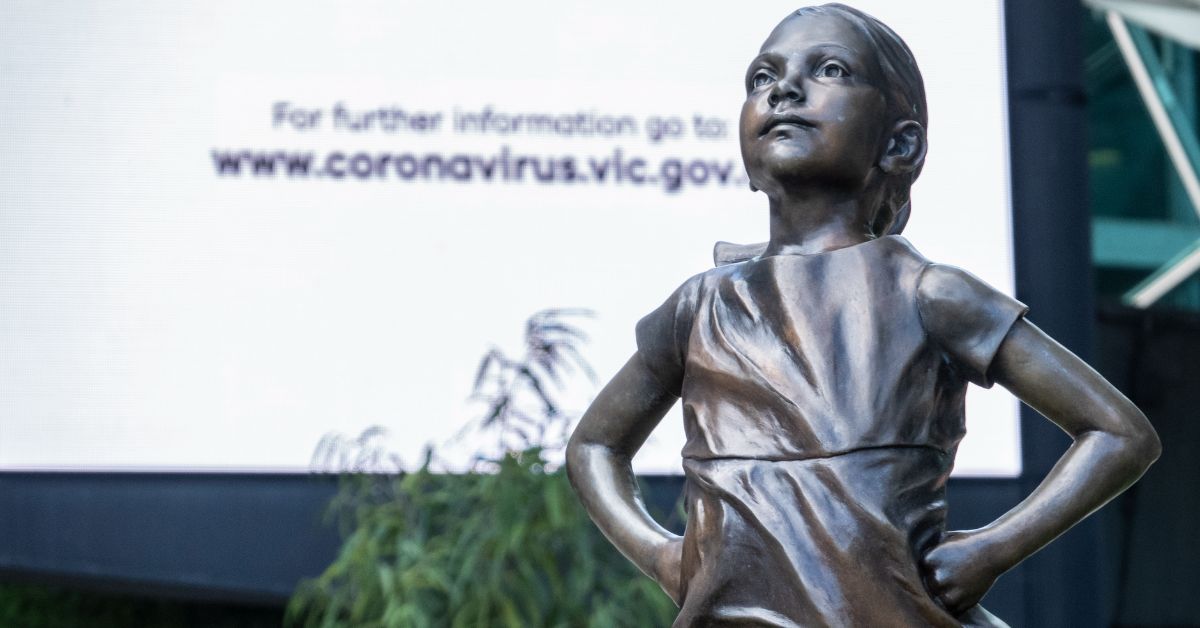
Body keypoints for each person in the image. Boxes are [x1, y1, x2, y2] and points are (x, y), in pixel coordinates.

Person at [565, 4, 1161, 627]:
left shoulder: (931, 295)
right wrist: (662, 556)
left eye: (829, 69)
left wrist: (992, 548)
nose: (785, 90)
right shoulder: (701, 306)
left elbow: (1118, 433)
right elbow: (595, 445)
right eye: (762, 79)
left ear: (900, 143)